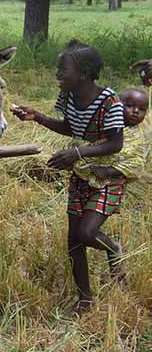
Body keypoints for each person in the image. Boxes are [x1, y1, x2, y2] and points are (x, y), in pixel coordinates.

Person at [12, 40, 126, 315]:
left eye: (63, 69)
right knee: (74, 240)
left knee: (87, 233)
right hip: (81, 175)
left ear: (84, 73)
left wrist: (76, 152)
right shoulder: (69, 98)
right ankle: (85, 299)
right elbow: (68, 126)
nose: (57, 74)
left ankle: (112, 248)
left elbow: (115, 144)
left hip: (107, 175)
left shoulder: (109, 101)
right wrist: (37, 117)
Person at [72, 87, 149, 187]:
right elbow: (86, 141)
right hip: (82, 175)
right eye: (129, 106)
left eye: (142, 109)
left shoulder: (136, 136)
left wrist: (109, 171)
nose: (135, 111)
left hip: (113, 182)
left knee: (138, 163)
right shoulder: (103, 124)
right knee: (76, 201)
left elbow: (136, 163)